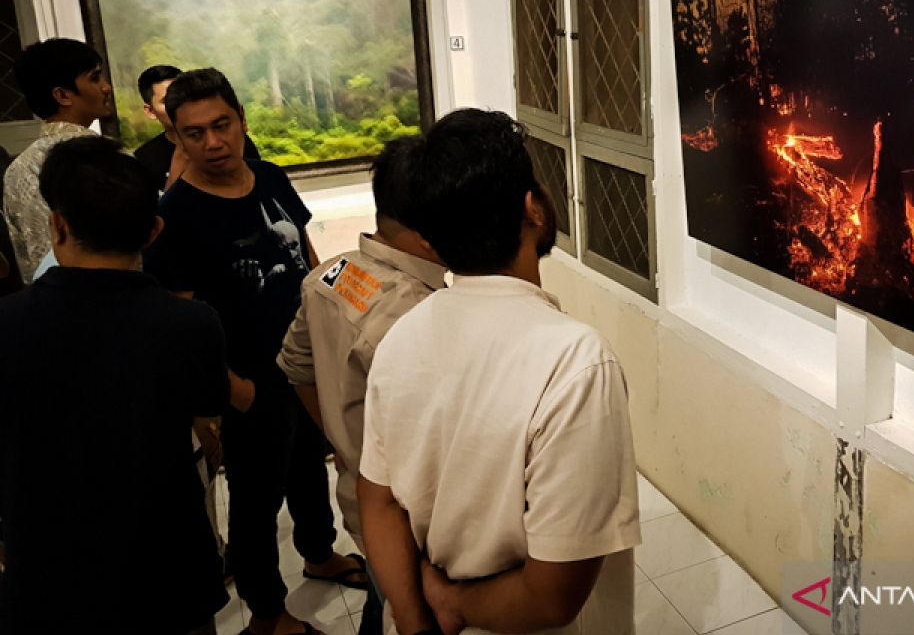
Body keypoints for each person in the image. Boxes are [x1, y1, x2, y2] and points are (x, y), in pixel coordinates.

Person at [359, 109, 641, 635]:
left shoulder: (401, 338)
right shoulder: (575, 363)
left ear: (431, 241)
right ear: (532, 209)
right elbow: (552, 599)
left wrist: (415, 623)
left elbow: (376, 500)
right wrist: (451, 602)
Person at [143, 67, 366, 635]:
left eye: (222, 125)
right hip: (245, 381)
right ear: (177, 138)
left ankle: (319, 552)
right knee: (255, 500)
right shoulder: (177, 215)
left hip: (303, 362)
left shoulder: (269, 176)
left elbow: (310, 261)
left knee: (309, 467)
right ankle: (267, 611)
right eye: (194, 133)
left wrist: (343, 320)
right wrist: (227, 393)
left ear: (242, 121)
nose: (213, 142)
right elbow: (179, 321)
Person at [0, 137, 229, 634]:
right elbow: (207, 412)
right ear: (153, 231)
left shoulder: (7, 322)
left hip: (48, 571)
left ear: (56, 224)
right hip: (168, 563)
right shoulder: (192, 323)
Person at [278, 137, 445, 635]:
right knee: (407, 607)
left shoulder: (333, 271)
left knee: (381, 595)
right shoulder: (417, 314)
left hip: (357, 497)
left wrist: (343, 439)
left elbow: (295, 365)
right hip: (407, 523)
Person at [2, 38, 109, 283]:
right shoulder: (107, 158)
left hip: (44, 310)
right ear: (62, 95)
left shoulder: (17, 169)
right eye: (95, 77)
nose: (106, 87)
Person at [134, 64, 261, 192]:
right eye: (167, 101)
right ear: (150, 111)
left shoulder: (237, 142)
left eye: (221, 126)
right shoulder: (143, 160)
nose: (213, 143)